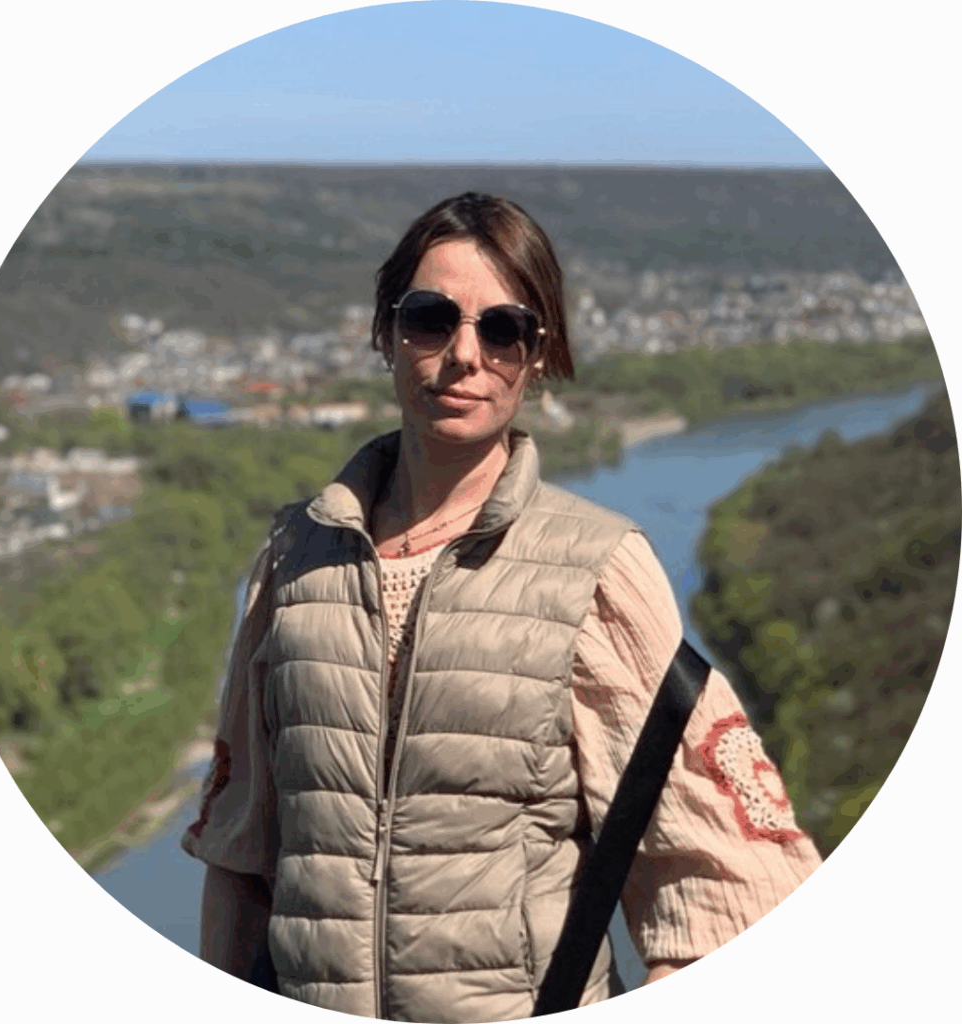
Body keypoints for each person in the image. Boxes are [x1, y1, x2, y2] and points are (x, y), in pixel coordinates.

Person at [183, 192, 821, 1022]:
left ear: (538, 357)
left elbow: (728, 878)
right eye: (430, 319)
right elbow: (241, 856)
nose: (463, 355)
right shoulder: (294, 558)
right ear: (386, 333)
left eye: (502, 329)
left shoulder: (594, 569)